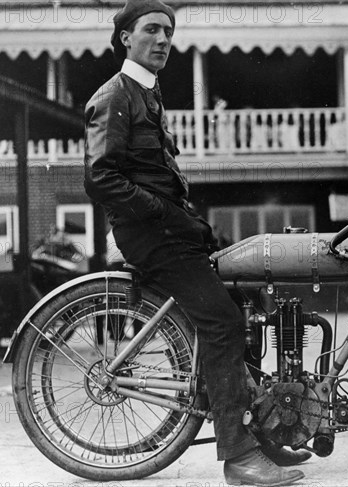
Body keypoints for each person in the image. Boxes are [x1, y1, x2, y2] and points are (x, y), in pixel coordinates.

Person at [83, 1, 310, 485]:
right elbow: (101, 178)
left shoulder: (148, 92)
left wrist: (187, 220)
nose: (163, 39)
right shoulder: (115, 96)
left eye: (168, 31)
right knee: (223, 323)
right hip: (151, 238)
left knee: (241, 305)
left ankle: (260, 431)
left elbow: (159, 175)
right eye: (151, 30)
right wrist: (166, 213)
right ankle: (238, 457)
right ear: (125, 36)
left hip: (171, 233)